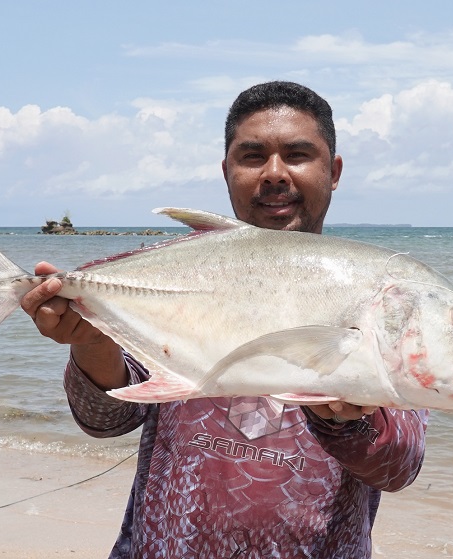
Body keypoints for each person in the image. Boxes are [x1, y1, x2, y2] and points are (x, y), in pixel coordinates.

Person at [22, 81, 428, 558]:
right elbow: (106, 419)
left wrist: (344, 421)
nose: (275, 174)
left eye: (297, 155)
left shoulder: (371, 288)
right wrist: (90, 343)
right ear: (226, 170)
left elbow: (398, 468)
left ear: (333, 171)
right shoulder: (175, 269)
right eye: (253, 156)